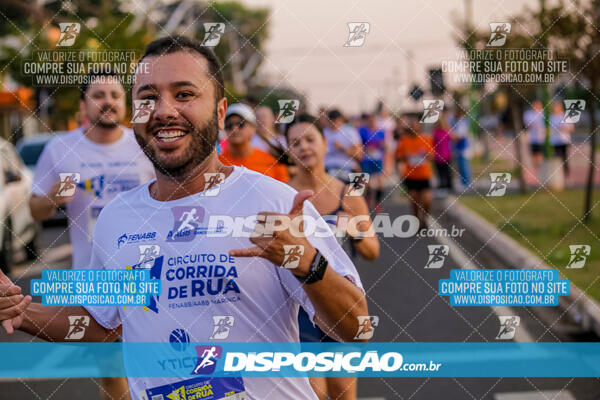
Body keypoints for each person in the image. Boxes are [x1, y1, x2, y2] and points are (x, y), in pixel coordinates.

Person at [0, 36, 368, 400]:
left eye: (184, 94)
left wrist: (308, 264)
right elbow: (102, 323)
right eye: (147, 98)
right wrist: (19, 310)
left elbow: (357, 327)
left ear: (221, 111)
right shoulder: (117, 218)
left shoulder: (273, 200)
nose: (163, 110)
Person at [28, 71, 156, 400]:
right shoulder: (61, 149)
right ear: (84, 103)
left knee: (159, 369)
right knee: (113, 376)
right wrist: (53, 197)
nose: (108, 102)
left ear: (125, 103)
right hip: (94, 278)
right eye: (98, 95)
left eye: (115, 95)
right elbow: (35, 210)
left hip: (151, 274)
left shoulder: (145, 145)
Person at [285, 113, 379, 400]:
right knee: (312, 392)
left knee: (342, 392)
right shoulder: (279, 193)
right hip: (298, 309)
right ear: (289, 151)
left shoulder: (347, 193)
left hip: (340, 304)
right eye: (296, 143)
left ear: (325, 144)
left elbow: (372, 251)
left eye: (310, 140)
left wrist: (352, 228)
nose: (304, 148)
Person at [219, 102, 289, 182]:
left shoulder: (271, 163)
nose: (234, 129)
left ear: (253, 128)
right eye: (229, 125)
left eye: (240, 124)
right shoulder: (217, 164)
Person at [395, 117, 434, 228]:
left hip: (424, 175)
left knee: (427, 200)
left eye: (415, 125)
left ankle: (425, 219)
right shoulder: (404, 141)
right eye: (411, 126)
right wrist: (405, 157)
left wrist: (425, 154)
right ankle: (417, 221)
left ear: (419, 127)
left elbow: (432, 156)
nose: (413, 128)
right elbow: (399, 158)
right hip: (411, 175)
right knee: (414, 200)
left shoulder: (426, 139)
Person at [323, 109, 363, 183]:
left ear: (341, 120)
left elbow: (358, 155)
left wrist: (342, 148)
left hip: (347, 167)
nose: (333, 124)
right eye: (331, 121)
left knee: (356, 189)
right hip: (328, 167)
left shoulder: (350, 131)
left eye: (336, 121)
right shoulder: (323, 132)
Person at [358, 113, 386, 211]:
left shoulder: (381, 131)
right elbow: (359, 144)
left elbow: (385, 146)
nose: (372, 122)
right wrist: (366, 148)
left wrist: (381, 145)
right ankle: (368, 199)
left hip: (378, 159)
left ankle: (377, 203)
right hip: (366, 160)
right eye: (370, 120)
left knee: (380, 182)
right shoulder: (362, 131)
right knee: (368, 183)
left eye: (373, 120)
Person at [550, 101, 574, 177]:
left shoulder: (565, 116)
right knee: (556, 157)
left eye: (556, 107)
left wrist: (563, 128)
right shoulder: (551, 117)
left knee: (564, 157)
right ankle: (558, 173)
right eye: (554, 107)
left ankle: (566, 173)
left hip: (564, 140)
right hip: (554, 141)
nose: (555, 109)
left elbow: (571, 129)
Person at [451, 108, 472, 188]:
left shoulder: (462, 122)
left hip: (463, 148)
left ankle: (466, 183)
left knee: (464, 166)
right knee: (460, 167)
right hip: (458, 148)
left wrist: (453, 137)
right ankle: (463, 182)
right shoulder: (457, 122)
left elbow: (460, 136)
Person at [432, 114, 453, 190]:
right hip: (438, 155)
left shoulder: (446, 132)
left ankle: (448, 184)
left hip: (445, 155)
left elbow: (451, 140)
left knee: (446, 171)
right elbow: (433, 143)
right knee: (440, 171)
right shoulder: (436, 132)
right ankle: (442, 184)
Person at [523, 100, 545, 169]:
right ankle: (536, 167)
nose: (536, 107)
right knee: (534, 154)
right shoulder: (528, 114)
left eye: (538, 105)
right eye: (534, 105)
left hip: (542, 138)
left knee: (541, 153)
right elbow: (528, 124)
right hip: (532, 138)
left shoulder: (544, 113)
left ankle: (541, 166)